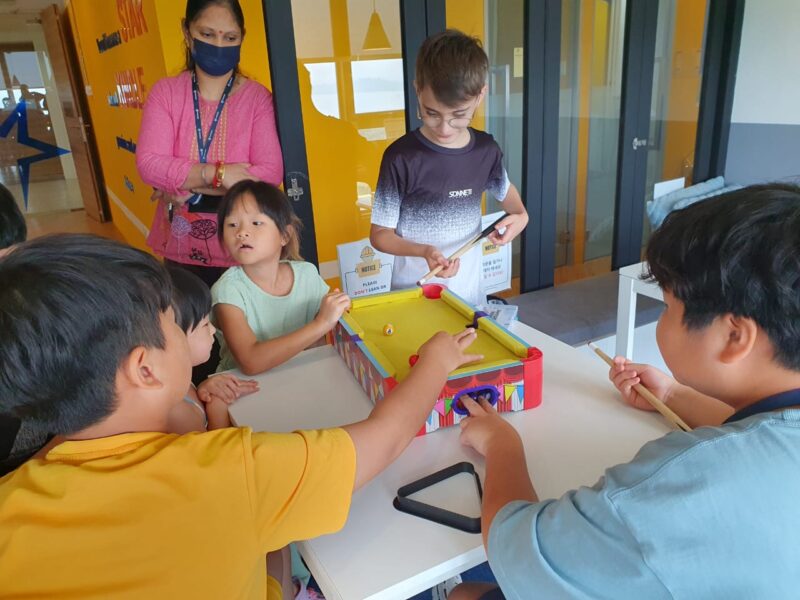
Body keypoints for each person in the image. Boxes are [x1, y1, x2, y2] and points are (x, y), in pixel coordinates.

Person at [0, 233, 483, 599]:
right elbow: (388, 436)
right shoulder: (231, 470)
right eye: (174, 323)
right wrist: (436, 362)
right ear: (145, 370)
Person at [452, 184, 800, 599]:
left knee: (464, 595)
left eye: (668, 307)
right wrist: (671, 396)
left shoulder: (676, 484)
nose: (663, 317)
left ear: (734, 337)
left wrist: (501, 445)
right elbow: (767, 433)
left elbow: (517, 550)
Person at [369, 29, 529, 307]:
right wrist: (424, 251)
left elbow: (506, 193)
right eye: (431, 113)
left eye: (459, 115)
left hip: (469, 294)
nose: (444, 128)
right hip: (414, 296)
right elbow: (380, 235)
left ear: (480, 95)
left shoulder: (485, 150)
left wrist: (521, 215)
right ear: (417, 89)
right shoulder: (401, 157)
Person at [136, 0, 283, 287]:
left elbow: (269, 174)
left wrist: (185, 184)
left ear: (242, 37)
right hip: (182, 249)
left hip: (246, 249)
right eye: (207, 34)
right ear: (187, 31)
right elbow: (149, 164)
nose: (218, 45)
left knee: (244, 318)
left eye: (230, 37)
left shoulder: (257, 99)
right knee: (190, 316)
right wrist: (221, 174)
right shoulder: (166, 93)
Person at [212, 180, 351, 375]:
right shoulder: (228, 290)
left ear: (285, 235)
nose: (241, 233)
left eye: (256, 223)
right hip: (244, 386)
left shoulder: (307, 275)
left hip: (300, 376)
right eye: (232, 224)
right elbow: (250, 362)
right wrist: (321, 323)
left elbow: (324, 338)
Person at [165, 265, 259, 432]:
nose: (213, 330)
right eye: (205, 324)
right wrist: (217, 407)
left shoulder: (178, 381)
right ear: (173, 339)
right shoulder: (178, 413)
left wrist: (204, 389)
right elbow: (214, 446)